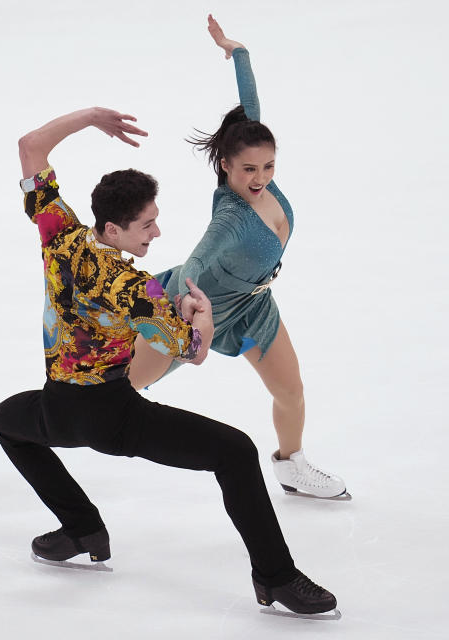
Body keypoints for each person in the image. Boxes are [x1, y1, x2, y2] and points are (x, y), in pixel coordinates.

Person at [0, 105, 337, 614]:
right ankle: (276, 578)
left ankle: (83, 528)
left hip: (57, 407)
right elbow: (193, 353)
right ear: (113, 229)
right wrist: (201, 317)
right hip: (115, 418)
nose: (156, 233)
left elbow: (29, 147)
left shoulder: (59, 235)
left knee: (6, 422)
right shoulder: (137, 289)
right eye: (146, 225)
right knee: (236, 453)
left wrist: (89, 118)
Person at [128, 15, 349, 500]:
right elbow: (191, 270)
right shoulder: (229, 222)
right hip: (197, 309)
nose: (261, 177)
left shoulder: (251, 154)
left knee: (290, 390)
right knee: (123, 391)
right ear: (225, 165)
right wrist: (182, 322)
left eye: (269, 166)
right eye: (249, 168)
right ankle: (63, 409)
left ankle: (292, 465)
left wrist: (237, 51)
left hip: (251, 309)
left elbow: (250, 106)